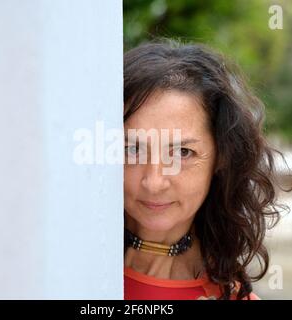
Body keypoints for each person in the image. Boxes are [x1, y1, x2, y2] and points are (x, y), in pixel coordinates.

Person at [123, 38, 291, 300]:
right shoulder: (56, 267)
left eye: (182, 152)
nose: (154, 182)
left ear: (221, 158)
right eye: (132, 150)